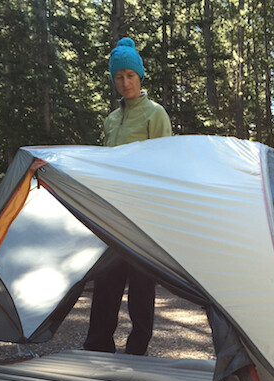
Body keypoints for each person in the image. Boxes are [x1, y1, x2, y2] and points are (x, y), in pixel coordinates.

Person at [83, 37, 172, 355]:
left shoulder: (155, 114)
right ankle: (98, 346)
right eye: (119, 76)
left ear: (140, 76)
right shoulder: (111, 120)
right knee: (106, 281)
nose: (125, 82)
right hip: (112, 214)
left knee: (141, 286)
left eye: (130, 75)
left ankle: (137, 350)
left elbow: (165, 164)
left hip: (143, 215)